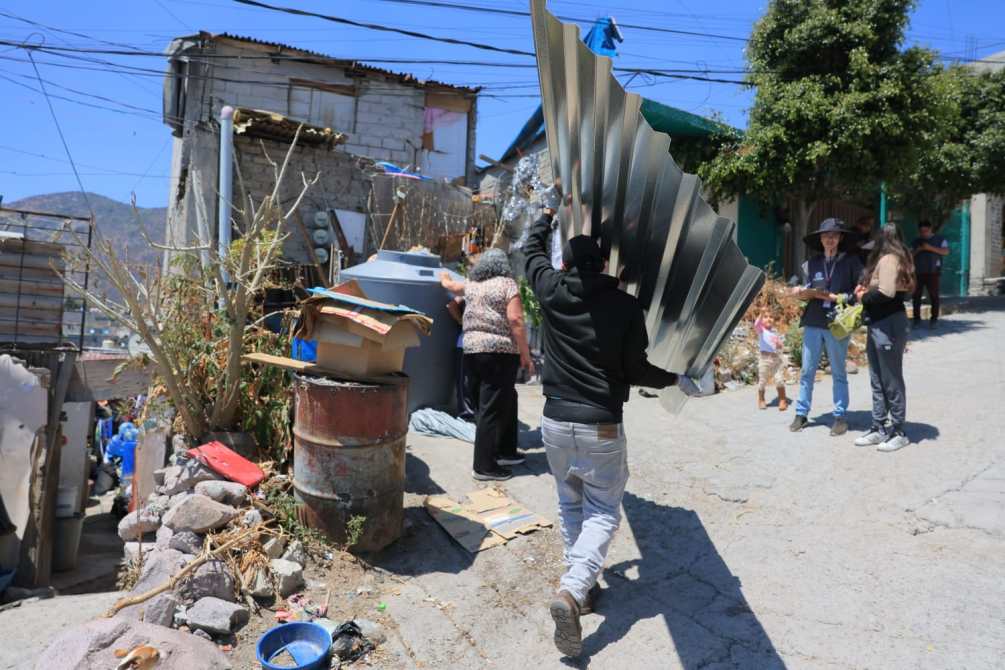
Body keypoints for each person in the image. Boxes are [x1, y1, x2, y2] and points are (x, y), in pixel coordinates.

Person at [523, 209, 679, 658]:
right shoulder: (627, 306)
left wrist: (545, 218)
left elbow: (531, 254)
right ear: (604, 267)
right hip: (601, 424)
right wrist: (674, 380)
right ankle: (572, 591)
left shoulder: (551, 289)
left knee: (571, 502)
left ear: (567, 266)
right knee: (604, 512)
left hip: (553, 423)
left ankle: (585, 591)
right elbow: (636, 369)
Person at [440, 250, 534, 481]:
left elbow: (452, 289)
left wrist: (442, 276)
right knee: (493, 407)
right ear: (504, 265)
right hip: (499, 353)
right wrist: (526, 355)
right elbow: (515, 320)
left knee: (495, 404)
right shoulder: (507, 285)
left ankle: (504, 452)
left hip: (472, 352)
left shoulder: (473, 285)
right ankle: (484, 467)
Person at [789, 218, 864, 436]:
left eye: (834, 235)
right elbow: (806, 288)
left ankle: (840, 417)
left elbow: (857, 294)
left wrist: (835, 297)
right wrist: (801, 292)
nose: (829, 239)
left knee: (838, 371)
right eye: (825, 236)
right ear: (820, 239)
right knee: (806, 371)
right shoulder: (811, 263)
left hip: (837, 324)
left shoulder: (852, 262)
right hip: (813, 321)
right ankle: (801, 414)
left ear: (840, 238)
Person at [854, 225, 916, 452]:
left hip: (888, 323)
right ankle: (879, 426)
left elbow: (886, 292)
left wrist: (863, 297)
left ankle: (899, 431)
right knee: (877, 377)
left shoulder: (889, 259)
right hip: (881, 322)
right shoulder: (898, 258)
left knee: (890, 379)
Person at [911, 220, 949, 329]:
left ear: (930, 229)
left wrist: (929, 248)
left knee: (934, 296)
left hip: (933, 272)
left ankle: (934, 319)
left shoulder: (940, 239)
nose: (924, 234)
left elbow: (945, 252)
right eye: (921, 232)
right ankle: (916, 319)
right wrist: (919, 250)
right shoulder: (916, 241)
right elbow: (910, 255)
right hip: (918, 272)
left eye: (926, 231)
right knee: (916, 296)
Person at [446, 296, 477, 422]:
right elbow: (452, 305)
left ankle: (467, 415)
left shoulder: (470, 286)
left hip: (468, 342)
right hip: (482, 343)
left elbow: (451, 305)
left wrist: (461, 321)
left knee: (465, 382)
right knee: (470, 382)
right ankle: (473, 415)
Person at [754, 310, 788, 411]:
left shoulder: (774, 332)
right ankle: (761, 399)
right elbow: (756, 324)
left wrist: (779, 345)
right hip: (764, 359)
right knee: (762, 381)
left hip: (776, 359)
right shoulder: (761, 330)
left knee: (779, 380)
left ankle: (782, 399)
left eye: (771, 317)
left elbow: (780, 345)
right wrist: (761, 314)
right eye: (766, 317)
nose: (769, 319)